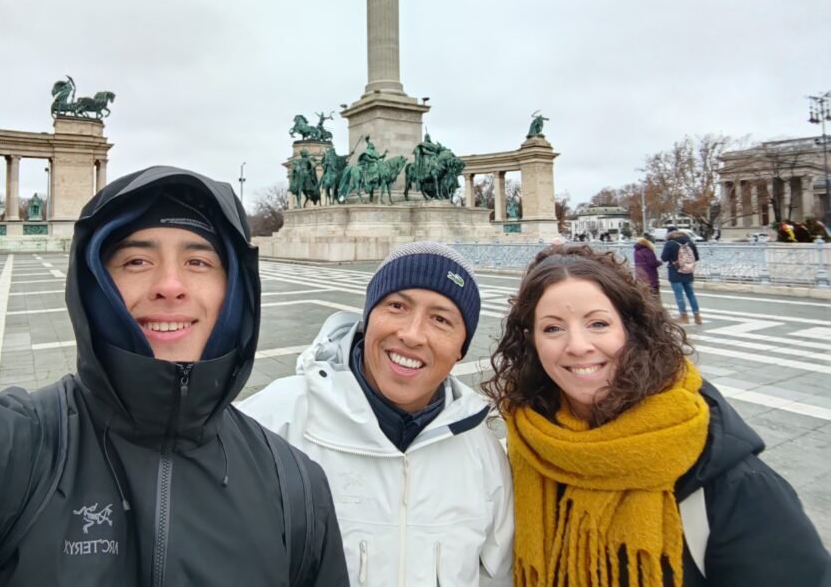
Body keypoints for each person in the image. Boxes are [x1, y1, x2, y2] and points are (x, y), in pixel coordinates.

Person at [0, 166, 348, 585]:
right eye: (136, 262)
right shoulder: (6, 447)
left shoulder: (296, 485)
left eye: (199, 262)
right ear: (96, 287)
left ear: (236, 291)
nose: (170, 285)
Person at [483, 244, 830, 587]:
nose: (577, 345)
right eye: (552, 328)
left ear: (631, 328)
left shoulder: (736, 485)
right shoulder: (530, 443)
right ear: (531, 340)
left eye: (598, 324)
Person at [240, 242, 514, 586]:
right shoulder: (269, 422)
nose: (412, 335)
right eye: (397, 306)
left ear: (461, 348)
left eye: (441, 319)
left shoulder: (484, 453)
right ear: (367, 319)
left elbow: (497, 576)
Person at [662, 226, 701, 324]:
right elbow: (696, 257)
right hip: (688, 271)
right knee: (691, 294)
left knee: (679, 295)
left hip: (675, 272)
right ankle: (697, 316)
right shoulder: (690, 242)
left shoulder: (670, 243)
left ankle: (684, 317)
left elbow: (664, 258)